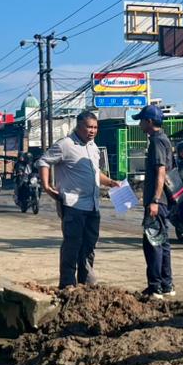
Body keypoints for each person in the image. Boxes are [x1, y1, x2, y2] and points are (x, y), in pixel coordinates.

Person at [38, 111, 120, 289]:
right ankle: (67, 284)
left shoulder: (93, 146)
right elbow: (44, 161)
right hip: (73, 206)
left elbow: (95, 173)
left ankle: (86, 283)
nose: (92, 131)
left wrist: (110, 182)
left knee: (89, 246)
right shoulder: (65, 145)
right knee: (72, 245)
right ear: (79, 126)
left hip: (92, 205)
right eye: (89, 127)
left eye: (95, 127)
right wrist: (46, 186)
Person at [137, 104, 175, 299]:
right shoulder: (163, 140)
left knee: (153, 243)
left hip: (156, 202)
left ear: (149, 122)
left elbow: (161, 171)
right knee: (162, 242)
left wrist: (154, 200)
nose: (140, 123)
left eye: (141, 120)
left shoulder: (157, 142)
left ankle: (155, 287)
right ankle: (166, 285)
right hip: (162, 203)